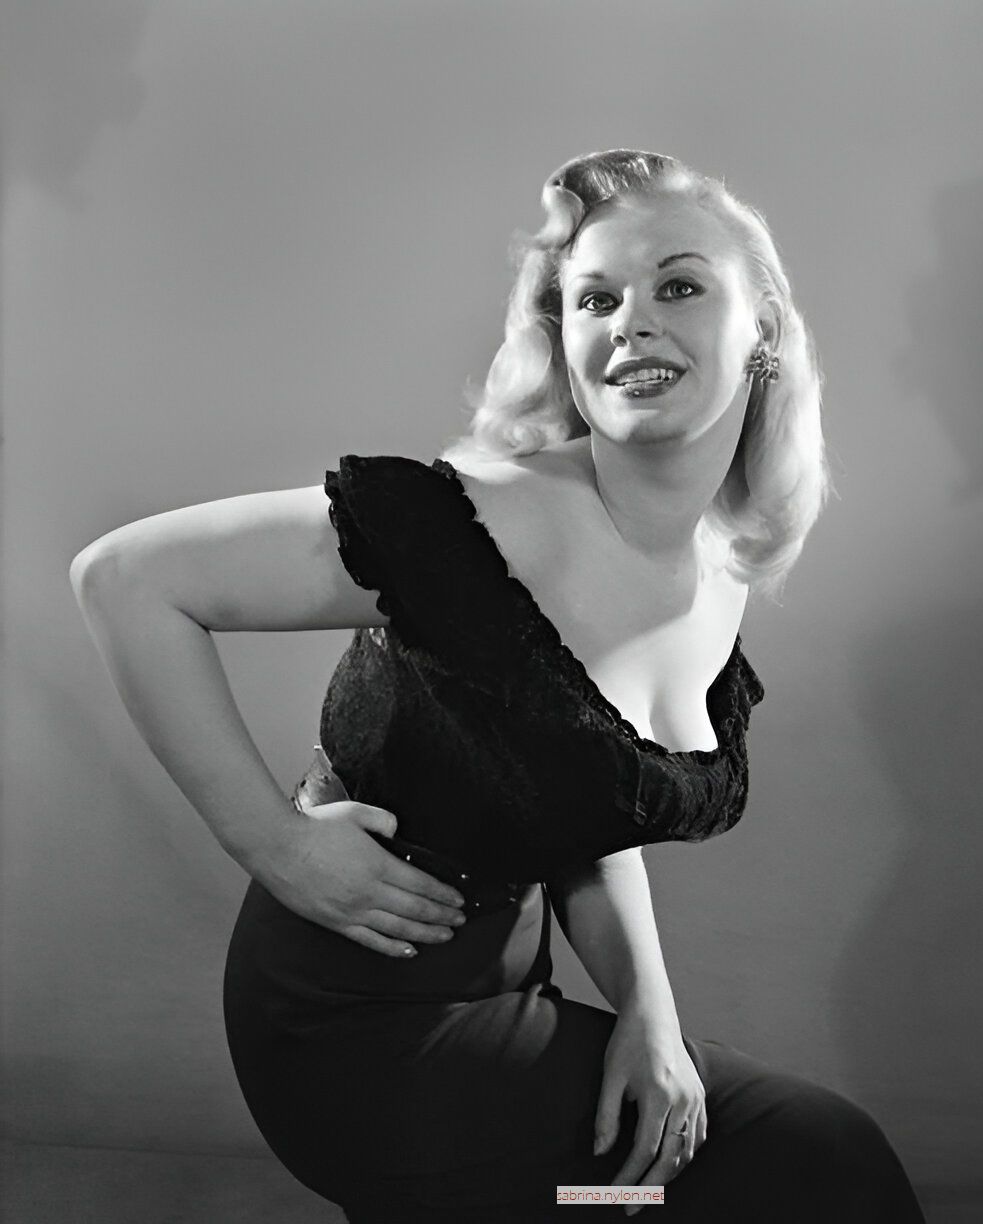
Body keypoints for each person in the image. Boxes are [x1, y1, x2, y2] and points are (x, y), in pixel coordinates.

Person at [71, 149, 926, 1221]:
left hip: (509, 995)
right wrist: (276, 846)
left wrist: (649, 1015)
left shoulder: (714, 562)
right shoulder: (476, 522)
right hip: (354, 1029)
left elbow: (587, 798)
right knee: (750, 1182)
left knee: (743, 1169)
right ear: (565, 343)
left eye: (678, 286)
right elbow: (126, 580)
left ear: (763, 331)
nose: (632, 323)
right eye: (596, 300)